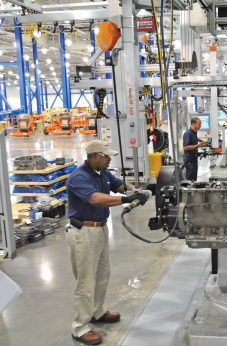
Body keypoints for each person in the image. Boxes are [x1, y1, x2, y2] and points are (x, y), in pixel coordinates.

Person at [66, 140, 149, 345]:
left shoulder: (102, 173)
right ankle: (80, 327)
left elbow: (118, 185)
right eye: (105, 155)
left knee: (102, 274)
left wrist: (134, 189)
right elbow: (95, 199)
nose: (109, 158)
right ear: (93, 155)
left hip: (100, 229)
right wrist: (126, 200)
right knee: (85, 282)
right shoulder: (79, 177)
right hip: (83, 232)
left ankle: (98, 311)